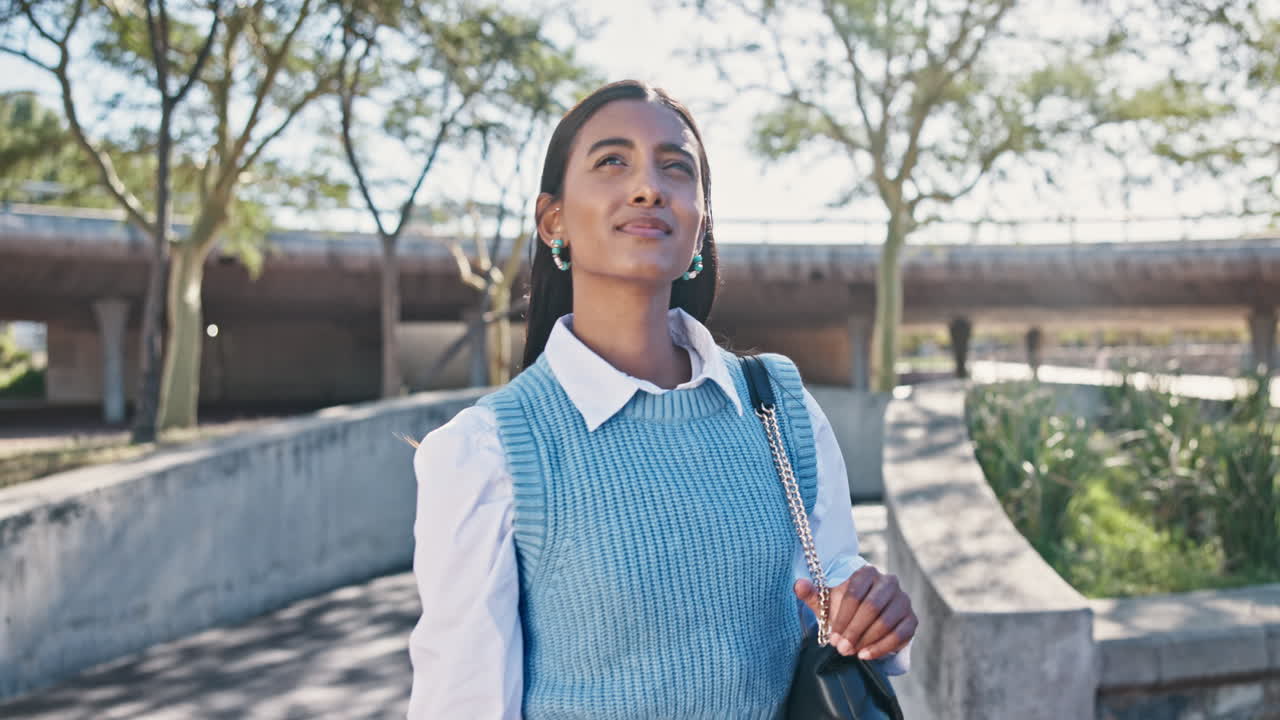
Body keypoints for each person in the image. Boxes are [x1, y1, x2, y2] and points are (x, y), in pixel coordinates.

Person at [407, 79, 916, 719]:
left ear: (700, 219)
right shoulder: (489, 452)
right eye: (612, 161)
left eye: (676, 168)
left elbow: (833, 590)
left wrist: (870, 612)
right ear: (553, 220)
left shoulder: (779, 408)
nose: (649, 187)